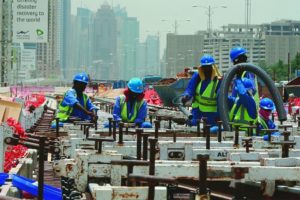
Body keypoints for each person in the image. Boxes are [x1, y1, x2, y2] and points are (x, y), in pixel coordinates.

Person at [181, 54, 222, 133]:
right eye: (204, 67)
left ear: (212, 67)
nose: (206, 70)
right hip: (197, 111)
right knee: (193, 128)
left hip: (211, 114)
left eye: (208, 67)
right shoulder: (197, 76)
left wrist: (219, 115)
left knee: (211, 132)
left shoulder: (218, 80)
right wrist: (186, 96)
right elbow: (190, 88)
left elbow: (220, 100)